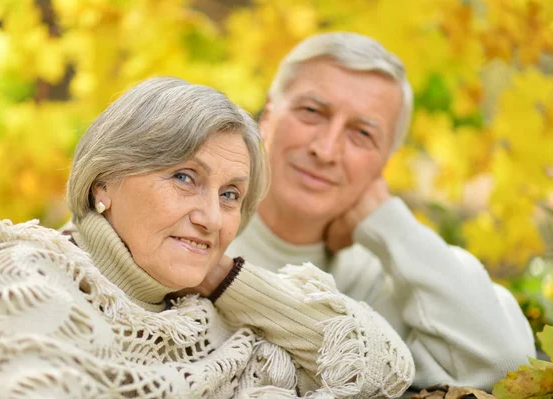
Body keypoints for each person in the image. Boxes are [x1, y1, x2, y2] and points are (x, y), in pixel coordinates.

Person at [0, 77, 414, 398]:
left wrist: (225, 279)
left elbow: (385, 369)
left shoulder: (211, 322)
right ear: (103, 183)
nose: (212, 217)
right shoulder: (19, 279)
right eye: (185, 178)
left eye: (231, 194)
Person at [227, 32, 536, 391]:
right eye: (311, 112)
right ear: (268, 114)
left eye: (362, 134)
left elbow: (504, 362)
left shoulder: (384, 287)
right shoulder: (192, 230)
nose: (326, 150)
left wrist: (388, 222)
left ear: (384, 163)